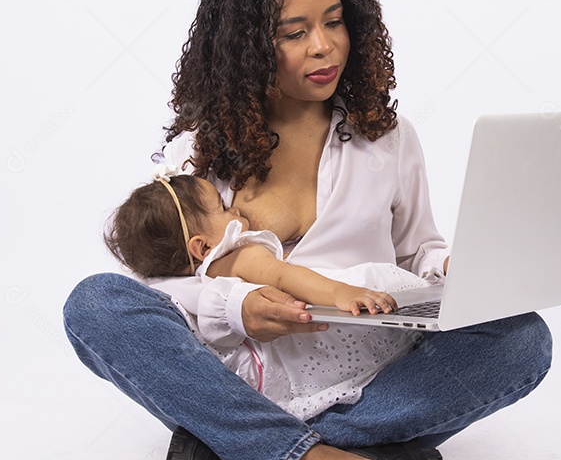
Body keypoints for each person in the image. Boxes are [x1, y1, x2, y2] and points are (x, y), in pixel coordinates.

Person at [62, 0, 552, 460]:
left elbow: (419, 250)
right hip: (237, 372)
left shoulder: (387, 140)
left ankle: (232, 448)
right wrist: (234, 304)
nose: (324, 47)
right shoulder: (199, 152)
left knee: (523, 340)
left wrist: (453, 268)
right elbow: (162, 283)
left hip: (362, 375)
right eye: (295, 33)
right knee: (96, 304)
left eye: (335, 21)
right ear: (246, 45)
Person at [105, 168, 430, 421]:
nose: (235, 211)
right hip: (310, 338)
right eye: (222, 208)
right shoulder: (240, 255)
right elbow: (283, 275)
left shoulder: (179, 284)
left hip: (254, 378)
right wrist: (340, 292)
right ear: (202, 246)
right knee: (389, 297)